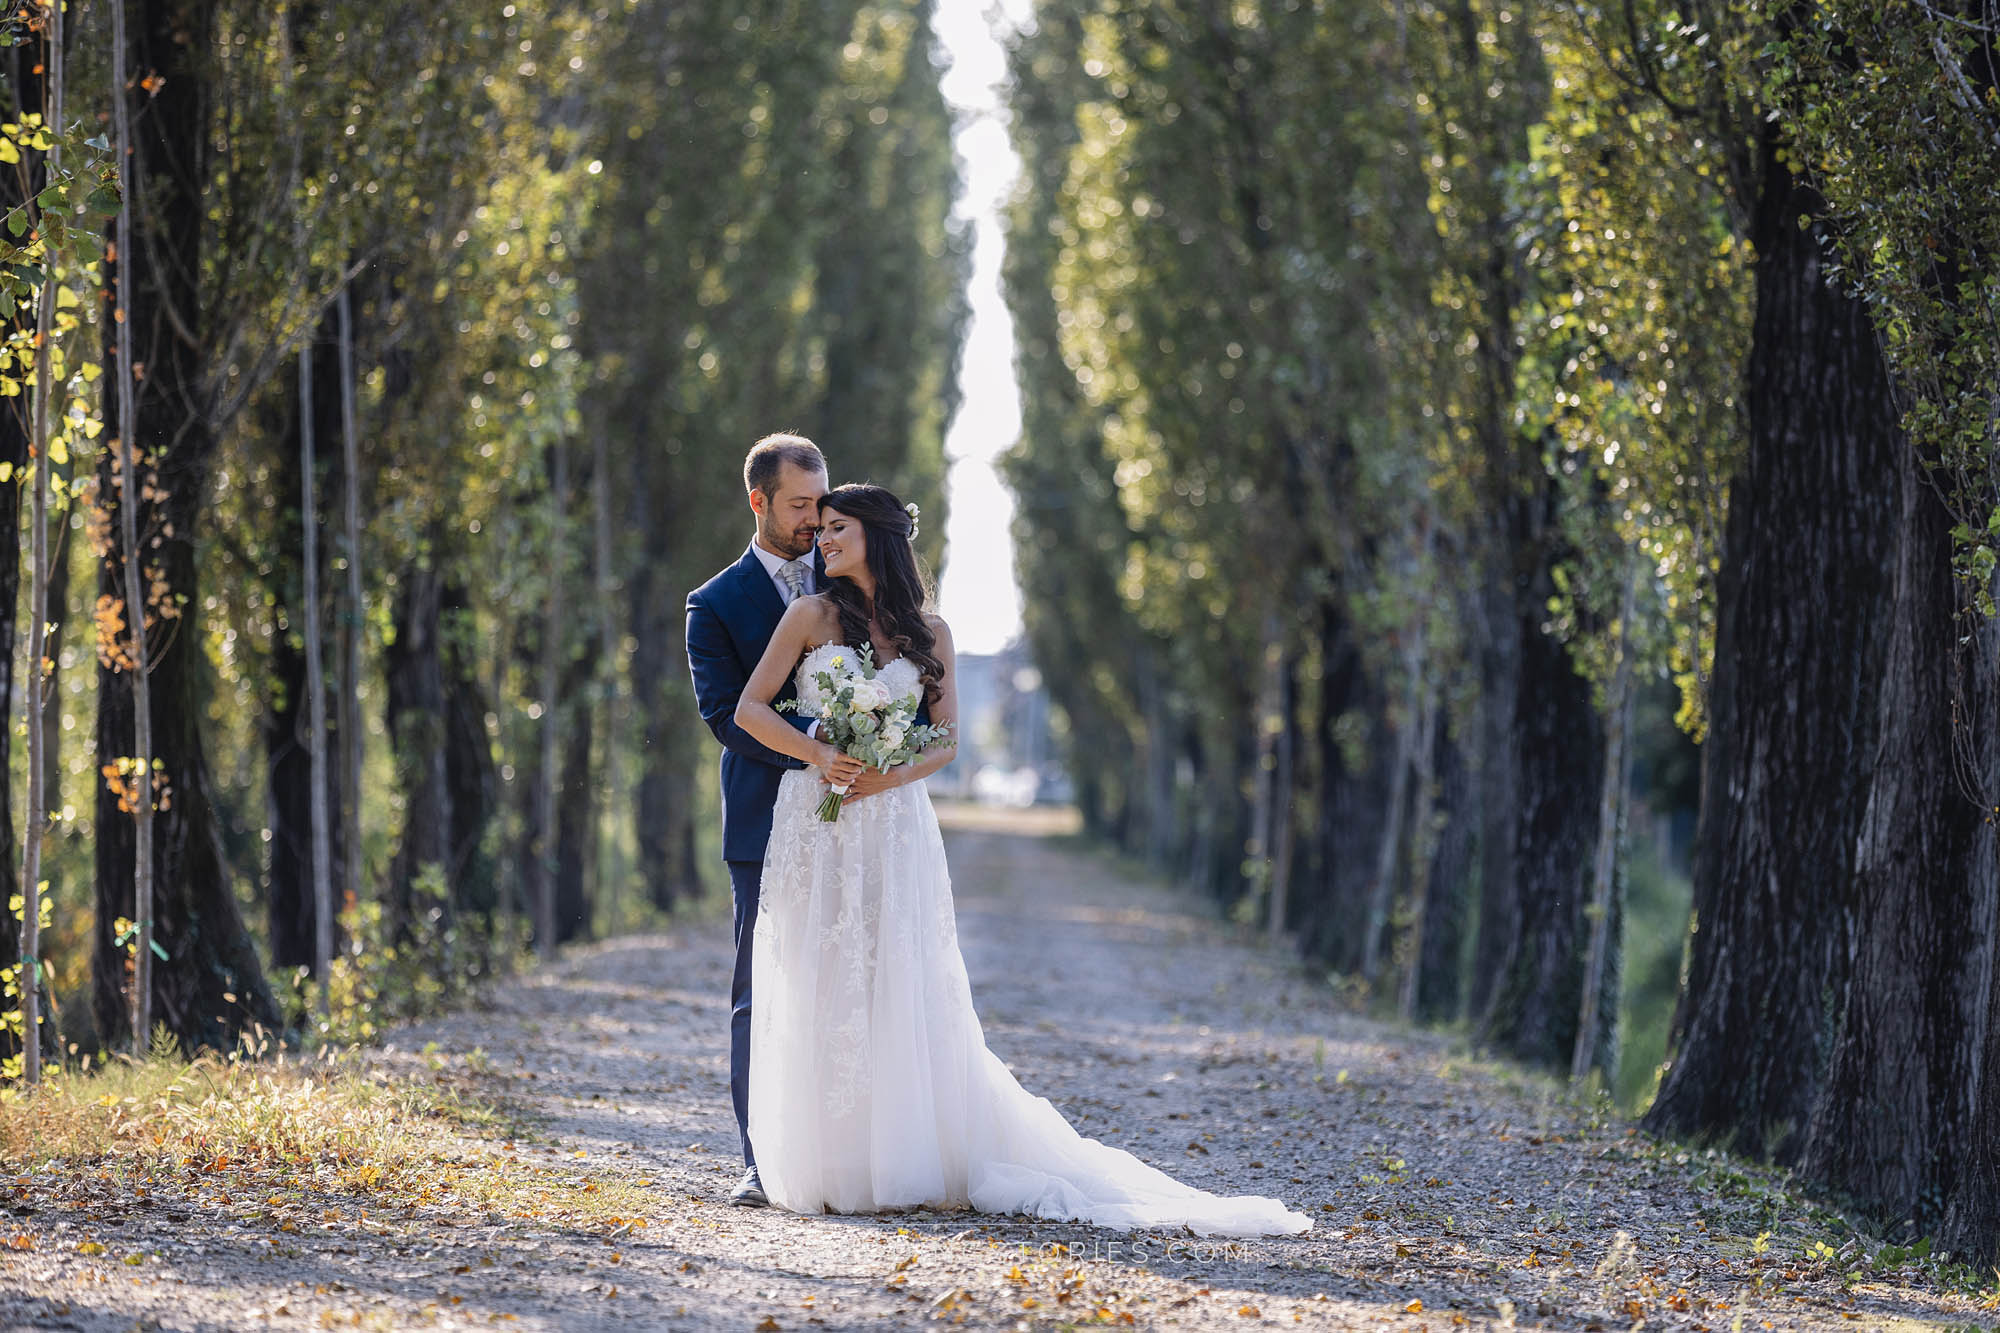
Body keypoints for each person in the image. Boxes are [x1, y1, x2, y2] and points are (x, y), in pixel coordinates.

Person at [733, 483, 1311, 1236]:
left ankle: (901, 1153)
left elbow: (944, 741)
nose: (822, 540)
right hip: (818, 816)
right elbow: (750, 708)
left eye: (837, 527)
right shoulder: (808, 616)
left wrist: (889, 774)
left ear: (876, 535)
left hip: (895, 822)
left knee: (893, 975)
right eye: (820, 529)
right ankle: (828, 1161)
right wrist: (820, 751)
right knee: (822, 972)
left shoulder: (931, 632)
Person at [684, 432, 843, 1207]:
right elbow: (724, 715)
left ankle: (844, 1149)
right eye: (801, 505)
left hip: (853, 820)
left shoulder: (852, 580)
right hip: (761, 816)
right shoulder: (712, 605)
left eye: (822, 501)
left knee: (847, 979)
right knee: (759, 988)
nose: (817, 519)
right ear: (760, 502)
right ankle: (760, 1157)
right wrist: (816, 746)